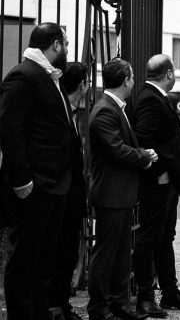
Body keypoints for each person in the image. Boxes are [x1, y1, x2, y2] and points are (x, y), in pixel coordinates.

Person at [0, 23, 78, 320]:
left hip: (54, 185)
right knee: (25, 261)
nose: (68, 50)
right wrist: (22, 180)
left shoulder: (47, 76)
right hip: (35, 186)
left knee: (44, 259)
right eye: (67, 44)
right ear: (55, 45)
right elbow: (10, 131)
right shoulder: (24, 75)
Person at [131, 55, 180, 317]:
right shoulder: (151, 99)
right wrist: (161, 173)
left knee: (164, 237)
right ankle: (145, 298)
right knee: (150, 237)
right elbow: (143, 139)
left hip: (166, 183)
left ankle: (170, 292)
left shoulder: (155, 96)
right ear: (170, 73)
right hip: (157, 183)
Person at [88, 58, 158, 320]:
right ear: (126, 80)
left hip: (121, 193)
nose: (133, 82)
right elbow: (116, 149)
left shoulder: (116, 107)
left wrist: (142, 154)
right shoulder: (106, 110)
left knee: (119, 255)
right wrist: (144, 156)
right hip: (111, 194)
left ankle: (119, 304)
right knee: (106, 254)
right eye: (131, 77)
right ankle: (98, 307)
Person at [51, 62, 90, 320]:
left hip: (71, 196)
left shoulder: (71, 110)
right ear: (83, 84)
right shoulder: (60, 110)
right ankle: (56, 305)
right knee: (59, 254)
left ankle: (61, 304)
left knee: (66, 254)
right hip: (60, 195)